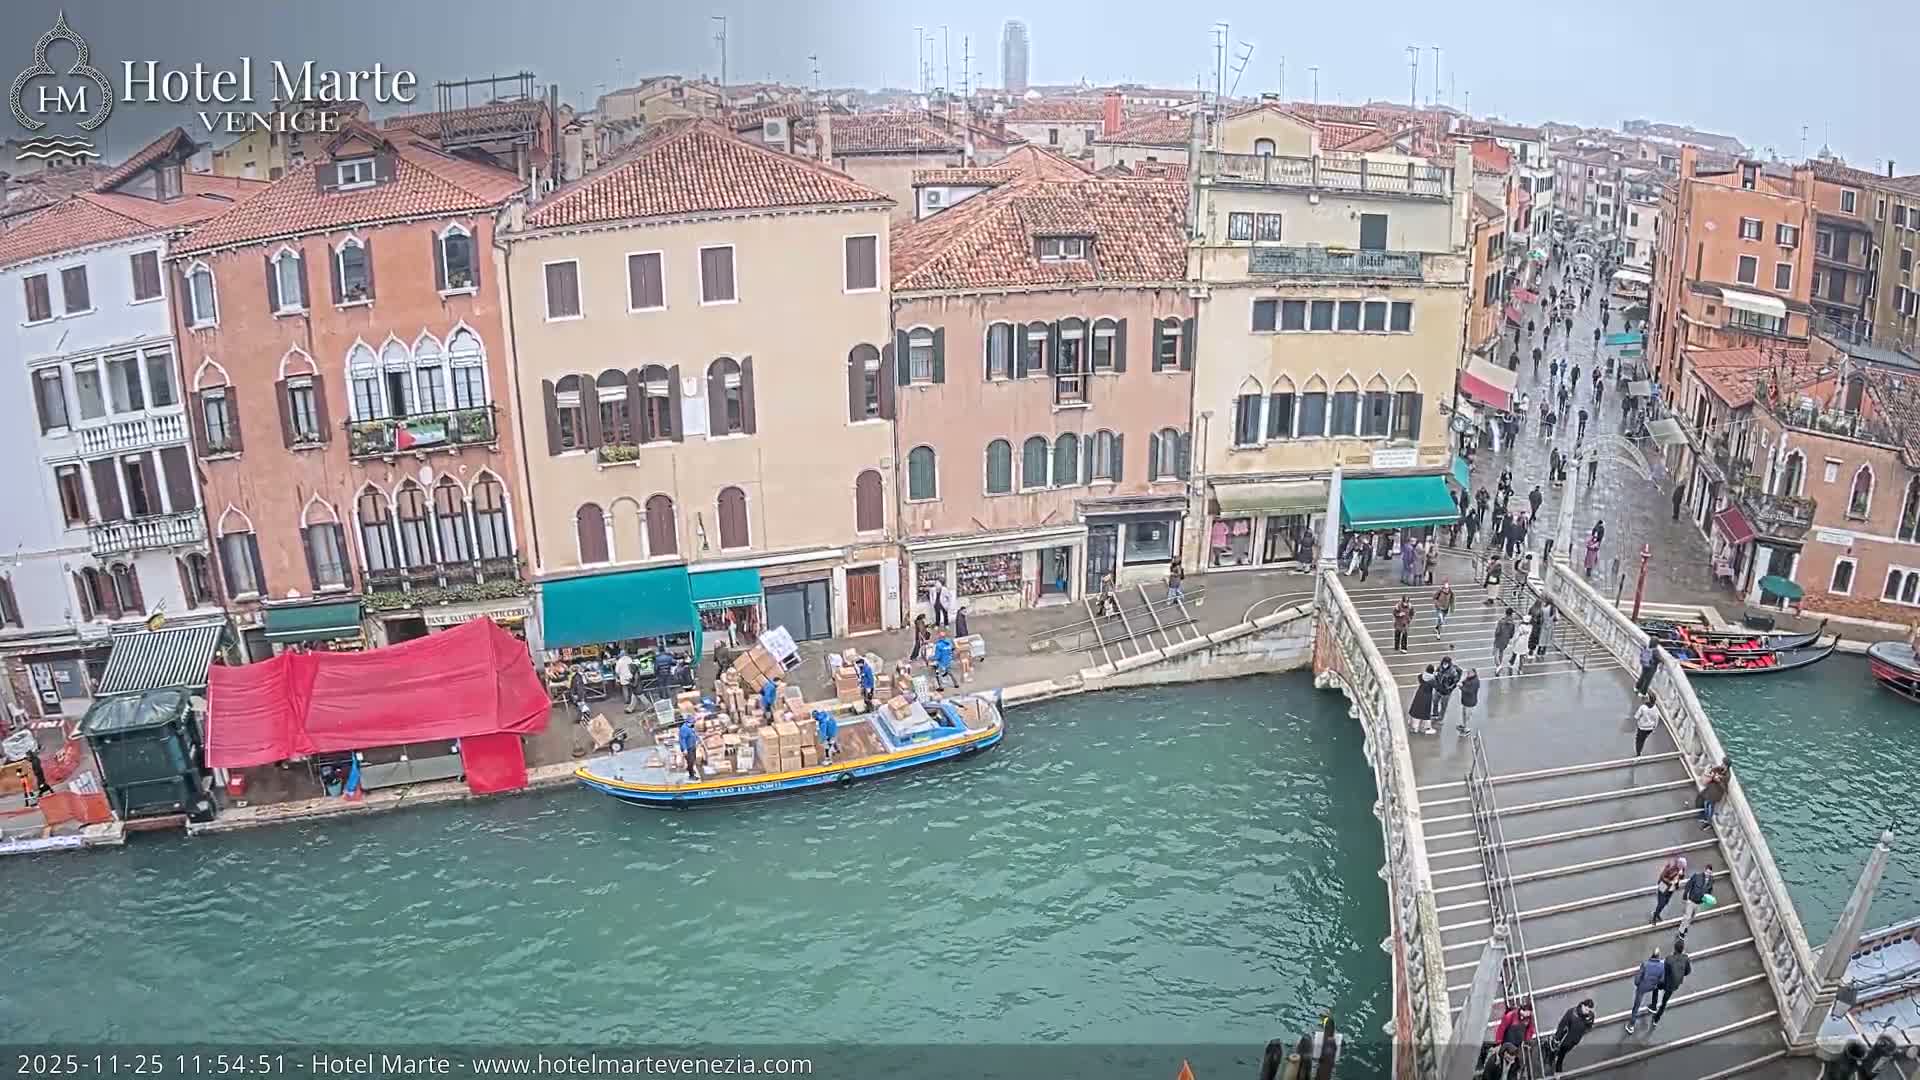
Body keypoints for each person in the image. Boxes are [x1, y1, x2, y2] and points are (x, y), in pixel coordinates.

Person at [1652, 937, 1691, 1032]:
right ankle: (1656, 1019)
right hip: (1674, 986)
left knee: (1655, 986)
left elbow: (1663, 971)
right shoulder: (1686, 958)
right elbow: (1688, 971)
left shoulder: (1669, 959)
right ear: (1683, 949)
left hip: (1666, 982)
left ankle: (1653, 1005)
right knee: (1664, 1002)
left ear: (1674, 948)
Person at [1546, 1000, 1597, 1073]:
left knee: (1562, 1053)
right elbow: (1562, 1025)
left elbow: (1589, 1026)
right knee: (1559, 1052)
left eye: (1589, 1010)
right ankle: (1553, 1063)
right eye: (1586, 1009)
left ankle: (1554, 1062)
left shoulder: (1590, 1016)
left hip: (1574, 1040)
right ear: (1582, 1005)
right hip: (1564, 1038)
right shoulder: (1572, 1013)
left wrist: (1583, 1031)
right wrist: (1557, 1038)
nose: (1587, 1011)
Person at [1625, 949, 1666, 1035]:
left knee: (1636, 1006)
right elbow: (1662, 979)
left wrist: (1638, 985)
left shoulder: (1645, 964)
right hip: (1653, 985)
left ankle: (1631, 1025)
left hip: (1643, 987)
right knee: (1656, 990)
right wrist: (1656, 983)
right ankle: (1653, 1006)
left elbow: (1638, 978)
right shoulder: (1662, 966)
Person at [1678, 862, 1716, 937]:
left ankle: (1686, 926)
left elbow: (1710, 890)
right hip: (1691, 901)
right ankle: (1681, 931)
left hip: (1699, 903)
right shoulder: (1697, 876)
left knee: (1692, 917)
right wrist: (1685, 897)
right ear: (1705, 870)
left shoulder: (1711, 880)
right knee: (1687, 917)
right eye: (1707, 872)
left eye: (1710, 873)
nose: (1708, 874)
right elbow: (1688, 886)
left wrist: (1707, 900)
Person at [1651, 855, 1688, 923]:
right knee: (1661, 903)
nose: (1682, 868)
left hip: (1671, 888)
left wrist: (1681, 875)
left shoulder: (1681, 869)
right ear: (1679, 864)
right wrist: (1669, 882)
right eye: (1682, 866)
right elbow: (1662, 876)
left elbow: (1681, 877)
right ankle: (1654, 917)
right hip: (1664, 886)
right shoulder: (1670, 867)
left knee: (1665, 902)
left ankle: (1657, 913)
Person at [1697, 759, 1731, 829]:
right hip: (1712, 789)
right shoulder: (1720, 768)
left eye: (1724, 764)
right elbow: (1714, 770)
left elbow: (1723, 783)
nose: (1722, 764)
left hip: (1717, 792)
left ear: (1727, 766)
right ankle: (1706, 818)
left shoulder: (1727, 775)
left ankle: (1708, 822)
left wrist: (1717, 779)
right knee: (1706, 803)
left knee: (1709, 805)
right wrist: (1712, 771)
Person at [1432, 656, 1460, 732]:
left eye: (1446, 663)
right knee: (1435, 701)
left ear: (1449, 663)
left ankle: (1441, 718)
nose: (1445, 664)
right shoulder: (1440, 667)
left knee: (1443, 705)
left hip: (1446, 692)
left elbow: (1455, 682)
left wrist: (1449, 688)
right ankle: (1435, 714)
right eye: (1444, 663)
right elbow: (1436, 675)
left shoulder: (1452, 671)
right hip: (1438, 689)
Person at [1410, 665, 1437, 735]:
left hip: (1419, 694)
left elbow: (1419, 676)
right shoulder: (1432, 680)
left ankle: (1414, 727)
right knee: (1425, 712)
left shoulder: (1421, 676)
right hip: (1427, 696)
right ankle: (1426, 728)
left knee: (1416, 710)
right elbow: (1437, 686)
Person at [1493, 609, 1518, 676]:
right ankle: (1500, 663)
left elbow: (1498, 631)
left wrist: (1496, 635)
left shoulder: (1501, 621)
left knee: (1495, 653)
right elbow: (1512, 633)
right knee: (1501, 652)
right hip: (1506, 639)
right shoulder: (1512, 623)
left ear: (1505, 613)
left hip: (1499, 638)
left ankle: (1498, 665)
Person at [1634, 691, 1660, 756]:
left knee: (1639, 740)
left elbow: (1636, 716)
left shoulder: (1643, 707)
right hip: (1650, 728)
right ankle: (1640, 748)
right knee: (1643, 739)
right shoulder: (1655, 708)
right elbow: (1656, 719)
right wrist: (1654, 727)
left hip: (1642, 727)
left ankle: (1638, 753)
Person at [1457, 668, 1481, 734]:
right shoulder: (1469, 678)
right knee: (1464, 714)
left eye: (1469, 673)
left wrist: (1461, 687)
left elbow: (1470, 691)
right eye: (1467, 673)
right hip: (1465, 701)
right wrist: (1462, 682)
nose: (1467, 674)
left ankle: (1466, 729)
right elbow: (1464, 682)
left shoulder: (1475, 682)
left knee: (1467, 716)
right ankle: (1464, 726)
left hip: (1470, 702)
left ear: (1474, 673)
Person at [677, 716, 701, 781]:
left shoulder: (691, 727)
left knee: (693, 759)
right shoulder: (684, 729)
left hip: (692, 746)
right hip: (687, 748)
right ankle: (691, 776)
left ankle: (690, 769)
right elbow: (682, 740)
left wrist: (698, 739)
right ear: (688, 722)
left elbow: (694, 734)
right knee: (690, 761)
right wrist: (684, 749)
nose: (694, 723)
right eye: (693, 722)